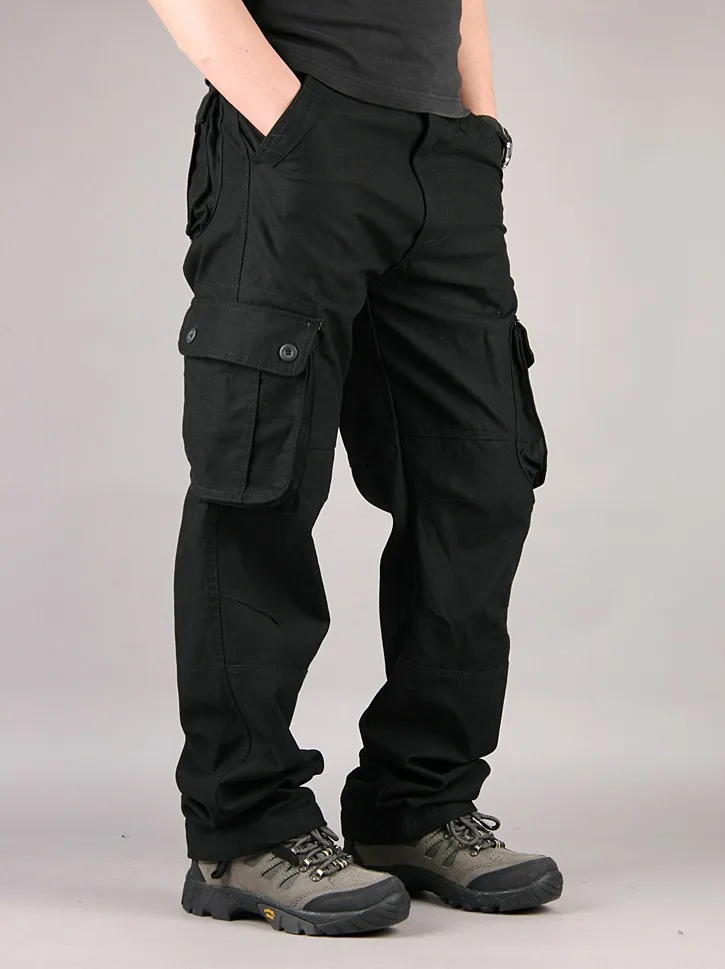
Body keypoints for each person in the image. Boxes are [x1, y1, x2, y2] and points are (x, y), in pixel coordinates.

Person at [148, 0, 561, 936]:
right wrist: (292, 118)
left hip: (444, 154)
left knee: (481, 479)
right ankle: (244, 826)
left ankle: (416, 802)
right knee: (261, 480)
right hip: (297, 135)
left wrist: (477, 126)